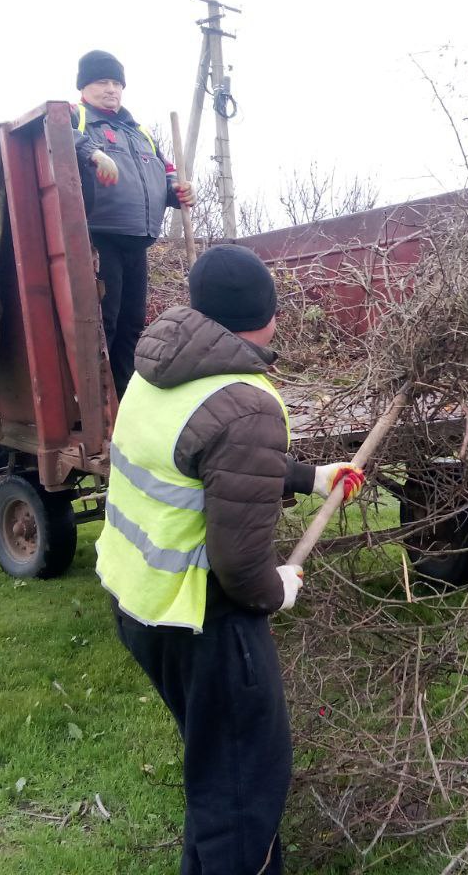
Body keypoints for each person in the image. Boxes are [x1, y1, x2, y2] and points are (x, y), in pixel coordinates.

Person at [96, 244, 365, 874]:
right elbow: (241, 566)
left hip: (140, 605)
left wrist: (311, 477)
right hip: (206, 625)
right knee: (242, 793)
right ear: (267, 317)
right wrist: (278, 588)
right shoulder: (246, 401)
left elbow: (206, 460)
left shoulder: (156, 370)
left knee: (217, 768)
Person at [71, 49, 195, 399]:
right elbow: (57, 137)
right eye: (102, 82)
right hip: (100, 236)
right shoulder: (76, 118)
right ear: (84, 86)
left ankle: (124, 396)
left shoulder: (139, 132)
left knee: (132, 323)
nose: (111, 89)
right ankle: (96, 401)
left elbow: (165, 172)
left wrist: (178, 189)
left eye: (116, 83)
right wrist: (93, 154)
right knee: (104, 322)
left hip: (138, 238)